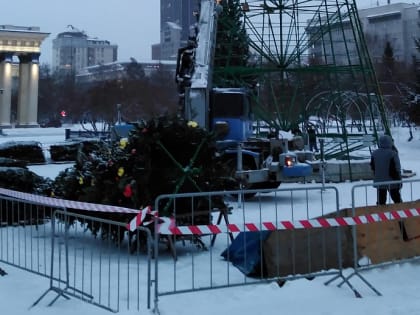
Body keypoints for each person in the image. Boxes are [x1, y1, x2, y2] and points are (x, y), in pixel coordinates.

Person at [370, 134, 402, 205]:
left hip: (379, 181)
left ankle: (380, 214)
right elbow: (397, 168)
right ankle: (401, 214)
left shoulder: (374, 153)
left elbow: (373, 167)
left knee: (381, 201)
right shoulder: (393, 154)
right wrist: (399, 180)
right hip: (392, 181)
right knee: (397, 200)